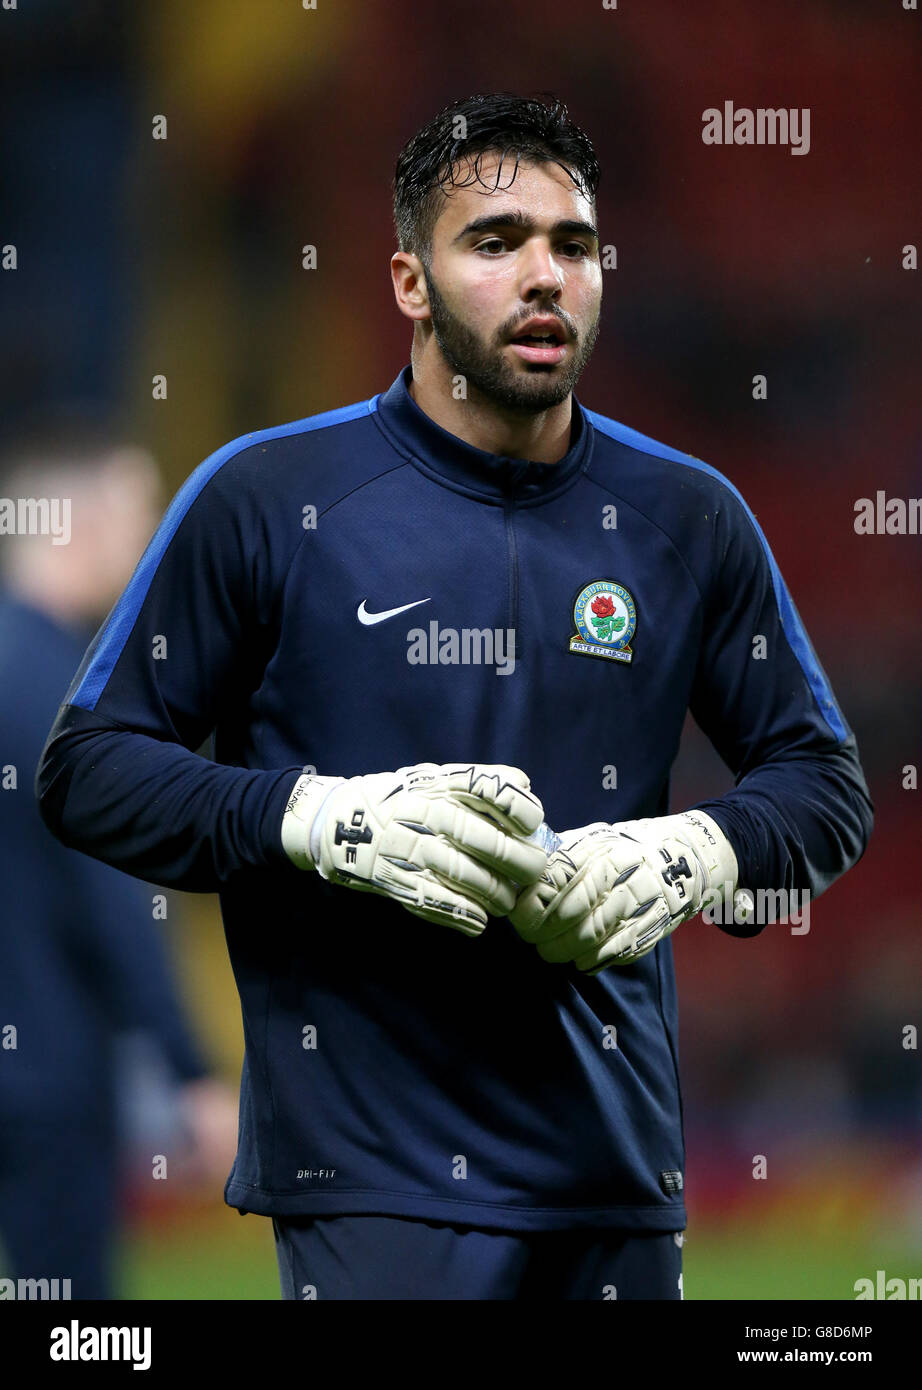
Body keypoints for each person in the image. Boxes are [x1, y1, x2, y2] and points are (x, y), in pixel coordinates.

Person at [35, 94, 873, 1301]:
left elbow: (823, 788)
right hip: (373, 1186)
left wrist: (695, 851)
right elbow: (90, 770)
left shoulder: (687, 517)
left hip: (616, 1174)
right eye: (495, 242)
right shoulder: (268, 500)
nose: (544, 276)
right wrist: (326, 822)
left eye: (571, 246)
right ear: (409, 282)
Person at [0, 424, 238, 1299]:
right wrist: (192, 1070)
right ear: (76, 522)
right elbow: (113, 907)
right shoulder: (76, 696)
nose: (149, 549)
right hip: (50, 1080)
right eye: (140, 515)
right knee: (76, 1319)